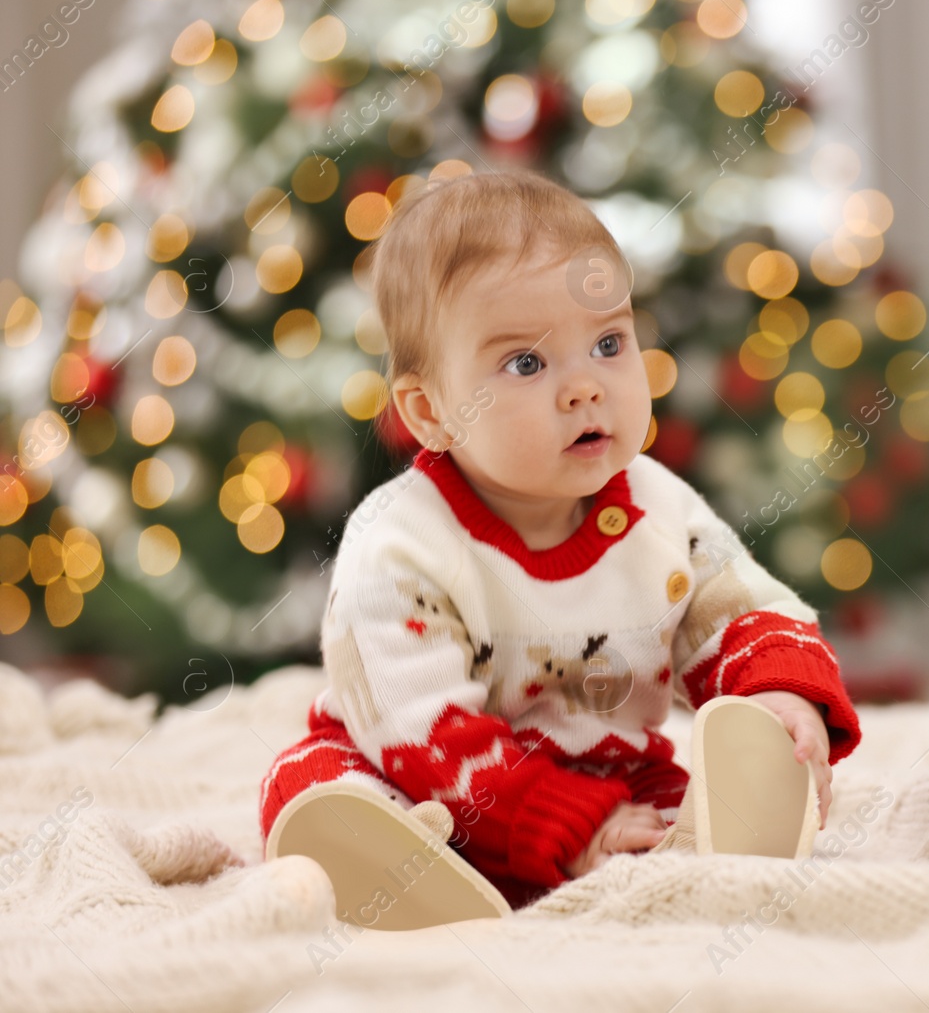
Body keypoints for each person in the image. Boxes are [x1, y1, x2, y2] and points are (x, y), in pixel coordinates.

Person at [258, 168, 861, 911]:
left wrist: (778, 690)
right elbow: (415, 725)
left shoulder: (656, 507)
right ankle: (390, 874)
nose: (584, 386)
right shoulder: (399, 541)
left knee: (683, 793)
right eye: (526, 362)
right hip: (429, 782)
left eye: (609, 342)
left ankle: (717, 843)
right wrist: (562, 822)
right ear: (431, 412)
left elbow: (735, 608)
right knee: (317, 781)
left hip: (612, 780)